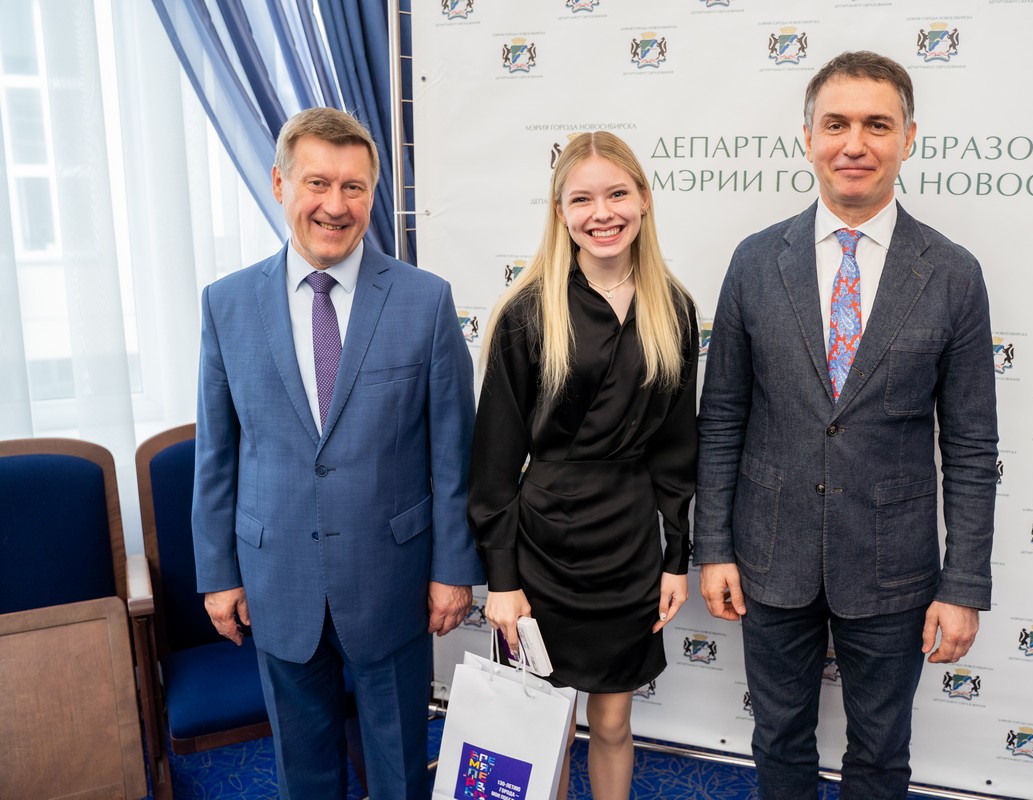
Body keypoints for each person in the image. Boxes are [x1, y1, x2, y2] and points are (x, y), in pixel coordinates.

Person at [694, 51, 998, 800]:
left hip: (894, 565)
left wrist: (963, 584)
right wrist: (715, 546)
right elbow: (723, 416)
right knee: (779, 741)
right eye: (836, 124)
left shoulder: (953, 273)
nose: (854, 144)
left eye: (876, 125)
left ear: (909, 137)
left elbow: (970, 445)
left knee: (881, 755)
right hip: (770, 555)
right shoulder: (755, 261)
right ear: (808, 138)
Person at [192, 107, 484, 799]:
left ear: (372, 194)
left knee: (398, 767)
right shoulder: (226, 304)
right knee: (304, 770)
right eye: (317, 183)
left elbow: (453, 453)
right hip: (275, 575)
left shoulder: (425, 301)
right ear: (280, 184)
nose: (335, 204)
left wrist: (453, 569)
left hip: (392, 577)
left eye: (354, 186)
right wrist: (218, 574)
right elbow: (217, 454)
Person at [468, 131, 698, 800]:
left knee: (615, 721)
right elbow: (493, 465)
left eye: (617, 193)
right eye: (582, 199)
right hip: (543, 545)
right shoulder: (526, 312)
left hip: (628, 544)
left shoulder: (675, 309)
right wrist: (502, 581)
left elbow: (676, 452)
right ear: (560, 211)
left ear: (644, 200)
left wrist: (676, 558)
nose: (603, 213)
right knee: (546, 725)